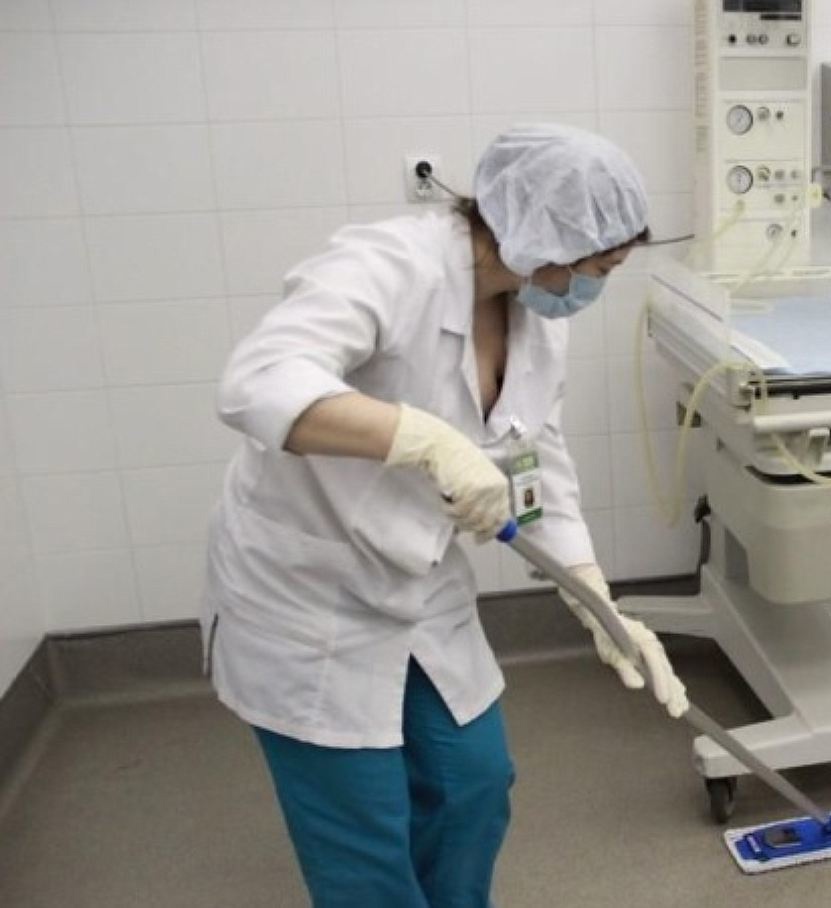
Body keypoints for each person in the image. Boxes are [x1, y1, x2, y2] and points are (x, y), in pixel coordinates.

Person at [201, 123, 690, 908]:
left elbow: (537, 458)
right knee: (365, 841)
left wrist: (594, 597)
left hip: (421, 584)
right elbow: (257, 383)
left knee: (472, 786)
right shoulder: (390, 265)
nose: (595, 288)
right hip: (308, 595)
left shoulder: (538, 318)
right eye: (599, 268)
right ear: (546, 239)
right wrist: (419, 438)